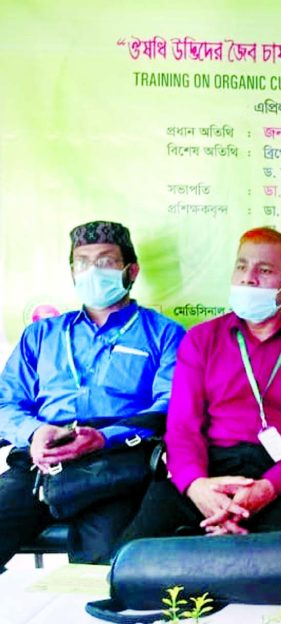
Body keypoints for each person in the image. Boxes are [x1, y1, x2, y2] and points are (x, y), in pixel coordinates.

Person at [118, 226, 281, 541]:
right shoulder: (201, 339)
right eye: (241, 266)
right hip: (208, 469)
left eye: (264, 270)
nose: (248, 278)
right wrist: (198, 488)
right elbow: (183, 427)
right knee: (134, 557)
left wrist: (267, 488)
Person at [0, 220, 185, 567]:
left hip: (114, 465)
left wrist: (103, 437)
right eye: (82, 263)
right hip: (41, 461)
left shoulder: (164, 334)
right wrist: (34, 432)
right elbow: (5, 402)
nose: (92, 271)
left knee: (106, 567)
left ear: (131, 271)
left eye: (105, 261)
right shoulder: (42, 335)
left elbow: (170, 405)